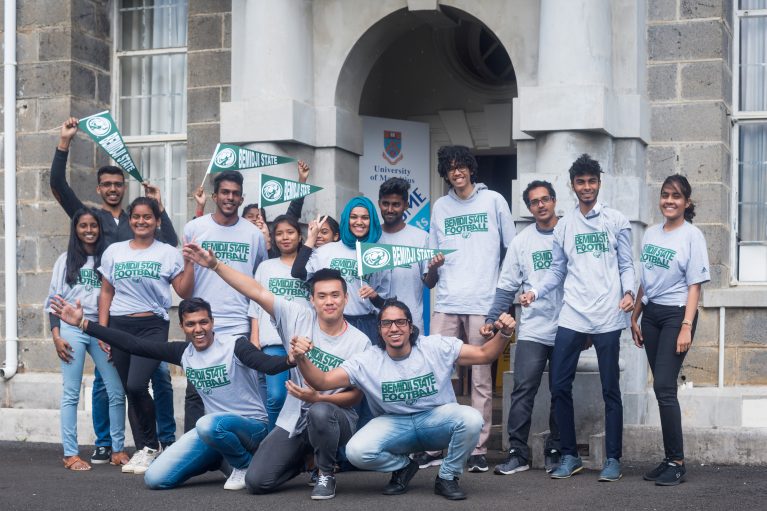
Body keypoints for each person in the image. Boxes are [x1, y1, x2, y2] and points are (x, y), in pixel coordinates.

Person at [183, 240, 371, 501]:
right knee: (257, 482)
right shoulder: (297, 317)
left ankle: (325, 472)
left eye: (335, 295)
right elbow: (257, 292)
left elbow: (355, 397)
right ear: (312, 299)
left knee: (320, 411)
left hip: (335, 417)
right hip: (294, 417)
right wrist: (215, 265)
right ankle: (304, 460)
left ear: (345, 298)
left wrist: (319, 398)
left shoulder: (360, 341)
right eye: (322, 296)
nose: (329, 302)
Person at [50, 296, 297, 491]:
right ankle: (220, 460)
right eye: (191, 324)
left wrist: (290, 360)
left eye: (203, 322)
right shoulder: (184, 353)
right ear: (182, 327)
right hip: (211, 432)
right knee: (155, 478)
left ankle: (244, 464)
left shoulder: (235, 345)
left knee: (207, 423)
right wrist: (84, 324)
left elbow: (266, 364)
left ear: (212, 323)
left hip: (251, 428)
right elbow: (133, 344)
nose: (198, 329)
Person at [290, 300, 516, 500]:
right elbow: (322, 381)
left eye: (400, 322)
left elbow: (485, 354)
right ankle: (405, 467)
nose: (394, 328)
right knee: (356, 452)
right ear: (379, 330)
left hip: (435, 420)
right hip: (395, 424)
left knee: (471, 418)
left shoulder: (434, 347)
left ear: (410, 326)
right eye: (387, 324)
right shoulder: (368, 361)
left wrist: (504, 334)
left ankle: (447, 477)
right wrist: (301, 357)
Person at [50, 117, 179, 464]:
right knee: (108, 385)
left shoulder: (140, 217)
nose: (112, 188)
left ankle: (165, 440)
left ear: (124, 187)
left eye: (117, 184)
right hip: (103, 317)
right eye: (106, 184)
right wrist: (64, 143)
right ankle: (106, 442)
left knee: (159, 378)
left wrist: (161, 207)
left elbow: (171, 244)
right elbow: (58, 186)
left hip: (146, 317)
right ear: (99, 188)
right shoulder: (90, 216)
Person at [519, 154, 636, 482]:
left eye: (592, 181)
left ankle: (613, 458)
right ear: (573, 186)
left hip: (608, 316)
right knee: (558, 384)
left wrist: (628, 293)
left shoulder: (616, 220)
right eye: (581, 182)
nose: (587, 187)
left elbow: (627, 263)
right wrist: (536, 292)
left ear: (599, 182)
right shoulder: (565, 225)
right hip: (572, 314)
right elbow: (557, 269)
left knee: (610, 388)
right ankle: (570, 455)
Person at [424, 145, 515, 472]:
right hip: (446, 302)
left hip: (482, 302)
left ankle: (477, 448)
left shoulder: (494, 201)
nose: (457, 172)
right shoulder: (440, 207)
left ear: (471, 169)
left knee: (480, 380)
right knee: (435, 375)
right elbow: (428, 265)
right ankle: (439, 444)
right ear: (445, 173)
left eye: (462, 166)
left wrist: (503, 299)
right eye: (450, 167)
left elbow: (512, 250)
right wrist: (432, 267)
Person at [99, 197, 195, 475]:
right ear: (130, 220)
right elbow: (106, 291)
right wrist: (103, 330)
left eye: (147, 217)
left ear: (156, 221)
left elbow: (185, 291)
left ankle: (152, 446)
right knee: (131, 389)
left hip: (152, 326)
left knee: (138, 384)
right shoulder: (114, 251)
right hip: (118, 326)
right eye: (136, 217)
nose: (142, 221)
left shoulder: (168, 252)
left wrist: (189, 263)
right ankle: (144, 449)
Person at [630, 175, 709, 486]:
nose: (669, 201)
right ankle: (668, 458)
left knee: (664, 385)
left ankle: (677, 461)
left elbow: (694, 287)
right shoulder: (651, 233)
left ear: (686, 203)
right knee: (662, 389)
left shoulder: (692, 236)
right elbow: (645, 281)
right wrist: (634, 317)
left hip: (678, 315)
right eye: (665, 195)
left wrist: (686, 326)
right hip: (651, 315)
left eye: (676, 196)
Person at [483, 180, 564, 476]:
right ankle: (518, 452)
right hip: (533, 327)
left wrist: (588, 330)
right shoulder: (522, 241)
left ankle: (557, 449)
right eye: (534, 202)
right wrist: (491, 320)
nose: (540, 205)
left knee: (561, 390)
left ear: (554, 201)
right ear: (529, 208)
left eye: (545, 199)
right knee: (522, 388)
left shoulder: (568, 233)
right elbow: (506, 288)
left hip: (568, 325)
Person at [182, 171, 268, 431]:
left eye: (235, 193)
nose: (230, 197)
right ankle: (194, 446)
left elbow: (259, 282)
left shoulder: (253, 234)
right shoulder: (194, 228)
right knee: (197, 389)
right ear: (215, 196)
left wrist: (255, 328)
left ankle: (240, 444)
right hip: (202, 323)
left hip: (238, 322)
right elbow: (185, 276)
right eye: (225, 192)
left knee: (241, 389)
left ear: (242, 198)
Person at [46, 209, 127, 470]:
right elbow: (53, 304)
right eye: (83, 225)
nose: (89, 230)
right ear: (76, 229)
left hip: (99, 327)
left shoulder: (107, 259)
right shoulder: (65, 260)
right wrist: (57, 337)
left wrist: (107, 331)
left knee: (116, 390)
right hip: (71, 328)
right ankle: (70, 454)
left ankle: (117, 450)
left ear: (99, 228)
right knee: (71, 392)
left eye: (93, 225)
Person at [294, 196, 390, 344]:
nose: (359, 222)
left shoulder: (379, 254)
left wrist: (374, 296)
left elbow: (384, 305)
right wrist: (311, 238)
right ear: (346, 219)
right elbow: (297, 272)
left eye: (365, 217)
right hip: (331, 324)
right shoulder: (327, 250)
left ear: (372, 221)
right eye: (353, 217)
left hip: (365, 324)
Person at [248, 214, 311, 429]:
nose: (285, 237)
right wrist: (254, 336)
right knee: (276, 396)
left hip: (304, 342)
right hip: (273, 341)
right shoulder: (266, 266)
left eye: (290, 232)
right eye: (279, 233)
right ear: (273, 238)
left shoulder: (310, 265)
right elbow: (256, 303)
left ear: (300, 236)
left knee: (304, 397)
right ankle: (271, 444)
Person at [377, 178, 429, 332]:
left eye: (396, 204)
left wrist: (434, 268)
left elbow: (429, 282)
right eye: (385, 203)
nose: (390, 209)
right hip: (376, 320)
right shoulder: (371, 237)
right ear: (379, 203)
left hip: (410, 321)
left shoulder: (420, 237)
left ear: (406, 205)